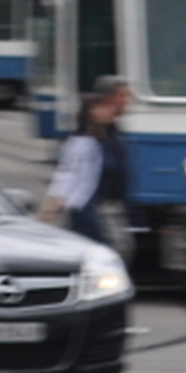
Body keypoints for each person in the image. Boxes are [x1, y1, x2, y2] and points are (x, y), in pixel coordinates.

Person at [40, 76, 132, 252]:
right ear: (92, 111)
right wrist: (50, 212)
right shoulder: (81, 143)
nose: (126, 102)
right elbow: (65, 177)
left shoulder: (112, 136)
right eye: (122, 96)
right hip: (88, 212)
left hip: (107, 212)